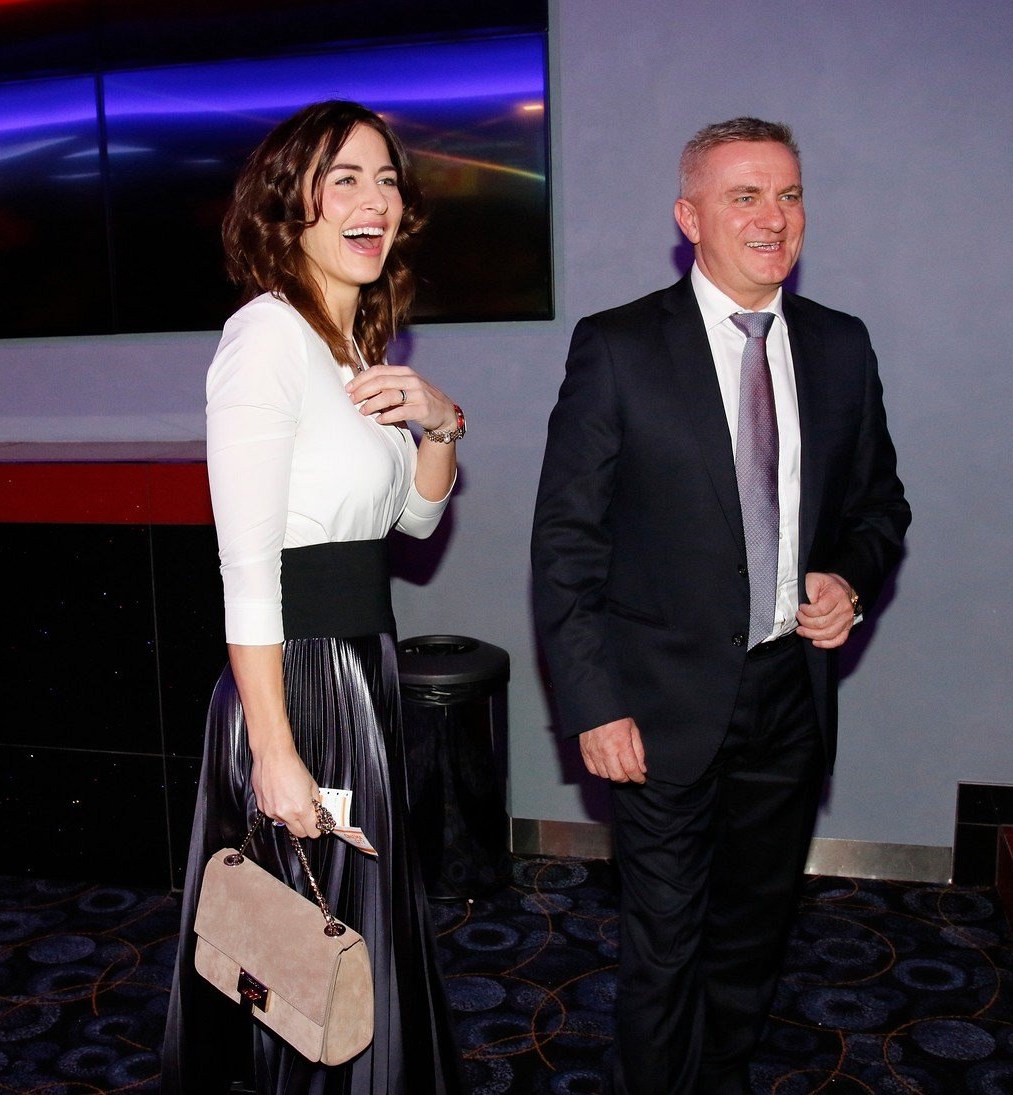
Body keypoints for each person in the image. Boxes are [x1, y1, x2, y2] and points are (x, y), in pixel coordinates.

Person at [530, 117, 911, 1095]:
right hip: (655, 705)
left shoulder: (839, 346)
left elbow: (879, 507)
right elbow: (566, 544)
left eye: (788, 195)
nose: (772, 217)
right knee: (663, 946)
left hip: (789, 697)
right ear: (689, 216)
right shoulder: (617, 347)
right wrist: (592, 705)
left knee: (751, 933)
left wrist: (847, 578)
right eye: (744, 196)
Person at [162, 100, 468, 1095]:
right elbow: (247, 565)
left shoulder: (355, 351)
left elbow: (415, 521)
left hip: (359, 668)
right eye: (343, 179)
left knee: (348, 931)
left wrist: (439, 423)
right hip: (299, 686)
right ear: (286, 204)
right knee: (305, 938)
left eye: (385, 180)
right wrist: (277, 753)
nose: (372, 199)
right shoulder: (265, 337)